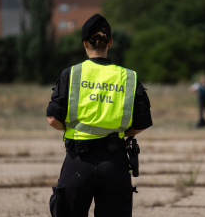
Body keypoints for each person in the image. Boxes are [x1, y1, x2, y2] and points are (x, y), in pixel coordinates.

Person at [46, 13, 153, 217]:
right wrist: (120, 132)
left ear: (85, 43)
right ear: (110, 43)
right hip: (114, 164)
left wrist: (72, 129)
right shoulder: (128, 77)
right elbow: (142, 123)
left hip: (78, 162)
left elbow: (52, 120)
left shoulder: (71, 74)